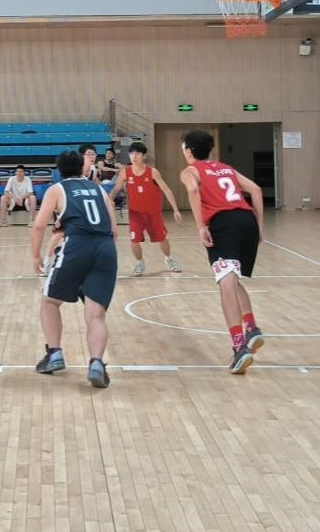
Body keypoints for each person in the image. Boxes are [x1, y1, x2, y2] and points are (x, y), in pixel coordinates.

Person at [179, 129, 265, 375]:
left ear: (188, 150)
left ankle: (239, 347)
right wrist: (259, 226)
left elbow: (193, 191)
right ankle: (251, 328)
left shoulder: (190, 171)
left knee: (226, 284)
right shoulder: (225, 168)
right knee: (233, 279)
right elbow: (256, 190)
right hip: (247, 221)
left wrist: (200, 226)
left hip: (224, 225)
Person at [30, 150, 118, 389]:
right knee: (95, 315)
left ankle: (55, 353)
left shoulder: (57, 189)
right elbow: (114, 229)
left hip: (77, 245)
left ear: (59, 171)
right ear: (82, 168)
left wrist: (36, 256)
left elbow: (39, 226)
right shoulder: (98, 189)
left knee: (50, 301)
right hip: (106, 248)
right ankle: (97, 364)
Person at [108, 141, 183, 276]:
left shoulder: (152, 172)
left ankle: (169, 259)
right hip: (135, 214)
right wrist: (107, 201)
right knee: (134, 240)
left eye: (137, 154)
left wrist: (175, 209)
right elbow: (116, 190)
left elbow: (166, 190)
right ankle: (140, 262)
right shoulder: (125, 172)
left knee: (162, 239)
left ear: (144, 156)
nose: (134, 156)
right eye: (131, 153)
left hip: (153, 213)